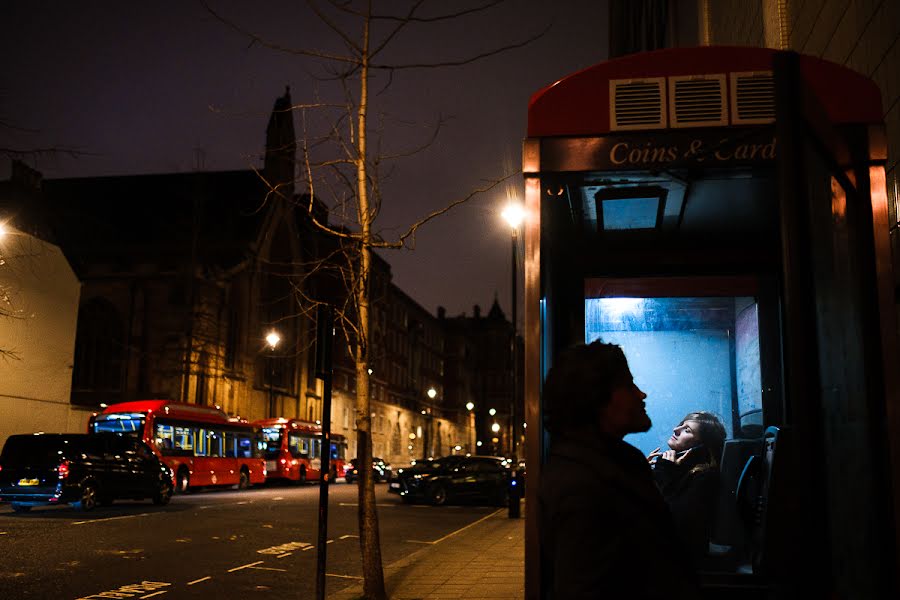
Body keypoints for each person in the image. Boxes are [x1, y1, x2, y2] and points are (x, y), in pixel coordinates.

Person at [539, 341, 698, 599]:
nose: (641, 394)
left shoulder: (616, 462)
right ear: (597, 398)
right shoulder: (580, 487)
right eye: (628, 385)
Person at [647, 411, 727, 563]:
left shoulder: (705, 477)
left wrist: (664, 472)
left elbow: (670, 523)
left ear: (701, 446)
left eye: (687, 430)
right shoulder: (678, 470)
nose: (676, 430)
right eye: (680, 425)